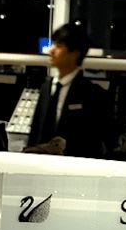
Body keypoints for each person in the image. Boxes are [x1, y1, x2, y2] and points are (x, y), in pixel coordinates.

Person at [26, 24, 112, 158]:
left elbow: (94, 142)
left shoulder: (91, 93)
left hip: (74, 164)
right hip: (40, 162)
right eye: (53, 44)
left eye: (59, 46)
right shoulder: (46, 88)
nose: (51, 50)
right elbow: (36, 131)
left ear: (75, 53)